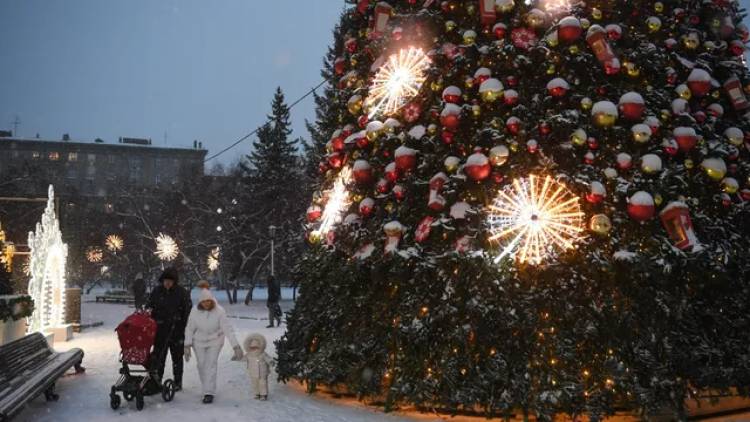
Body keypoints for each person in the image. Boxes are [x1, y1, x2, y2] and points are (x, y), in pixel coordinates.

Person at [184, 288, 243, 404]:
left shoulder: (219, 311)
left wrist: (236, 346)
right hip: (199, 341)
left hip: (215, 340)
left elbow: (227, 329)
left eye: (208, 301)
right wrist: (187, 345)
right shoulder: (194, 311)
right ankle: (206, 387)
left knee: (211, 364)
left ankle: (208, 392)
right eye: (204, 301)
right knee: (201, 364)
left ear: (211, 301)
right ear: (200, 302)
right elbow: (190, 328)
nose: (206, 303)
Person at [147, 267, 191, 391]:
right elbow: (149, 306)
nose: (168, 283)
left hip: (176, 331)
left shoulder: (181, 292)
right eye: (166, 280)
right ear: (163, 280)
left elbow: (187, 309)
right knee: (159, 357)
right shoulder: (156, 291)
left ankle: (178, 382)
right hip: (160, 331)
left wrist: (181, 319)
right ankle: (157, 380)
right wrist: (151, 314)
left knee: (177, 358)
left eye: (170, 281)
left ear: (174, 282)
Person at [243, 333, 273, 401]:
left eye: (256, 347)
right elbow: (243, 358)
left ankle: (263, 394)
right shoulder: (249, 355)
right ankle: (257, 393)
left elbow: (268, 358)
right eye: (252, 348)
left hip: (262, 372)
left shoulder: (263, 354)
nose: (254, 349)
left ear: (260, 347)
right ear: (250, 347)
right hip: (253, 372)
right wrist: (237, 357)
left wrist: (271, 362)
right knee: (255, 384)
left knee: (263, 383)